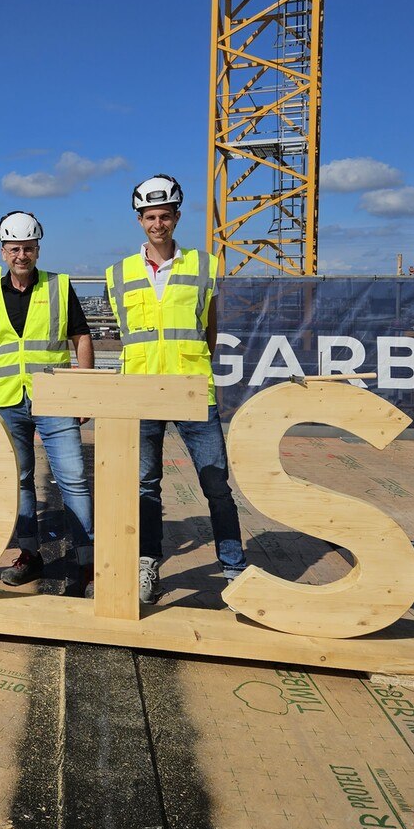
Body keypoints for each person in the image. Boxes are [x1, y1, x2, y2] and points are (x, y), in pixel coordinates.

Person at [105, 175, 247, 604]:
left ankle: (234, 568)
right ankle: (148, 563)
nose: (158, 224)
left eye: (165, 216)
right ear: (140, 220)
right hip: (141, 391)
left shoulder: (204, 265)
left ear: (177, 217)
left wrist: (194, 368)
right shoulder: (119, 273)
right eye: (150, 217)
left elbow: (210, 327)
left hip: (191, 389)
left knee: (216, 483)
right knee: (145, 485)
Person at [0, 212, 96, 597]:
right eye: (14, 249)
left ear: (37, 249)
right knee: (19, 480)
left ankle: (87, 564)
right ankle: (29, 554)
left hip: (55, 396)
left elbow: (81, 337)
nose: (21, 255)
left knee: (73, 478)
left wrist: (85, 390)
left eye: (27, 248)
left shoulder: (59, 286)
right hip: (7, 400)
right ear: (3, 251)